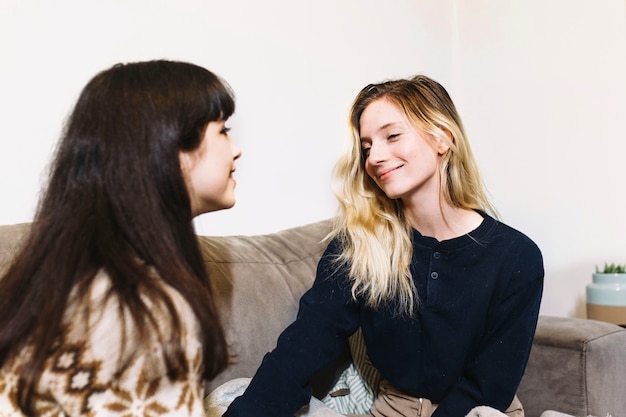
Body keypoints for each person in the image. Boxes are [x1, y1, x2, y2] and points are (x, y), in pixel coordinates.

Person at [223, 75, 543, 417]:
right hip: (394, 409)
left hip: (477, 411)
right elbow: (304, 344)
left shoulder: (516, 256)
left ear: (442, 138)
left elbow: (489, 384)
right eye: (366, 147)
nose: (375, 156)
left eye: (392, 136)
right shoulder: (359, 243)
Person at [0, 60, 242, 416]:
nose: (236, 149)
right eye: (223, 130)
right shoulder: (146, 307)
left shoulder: (68, 280)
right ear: (169, 149)